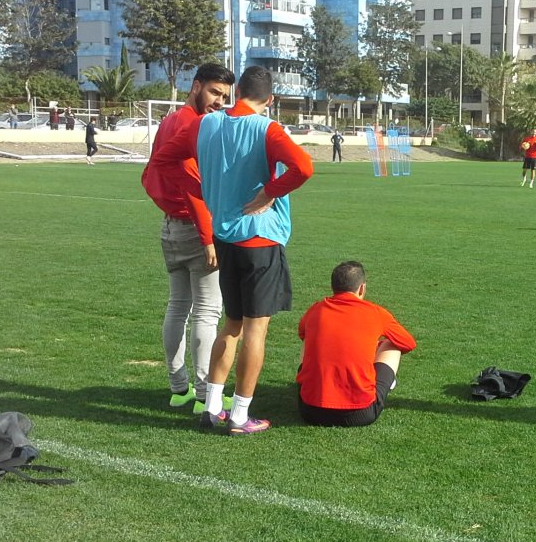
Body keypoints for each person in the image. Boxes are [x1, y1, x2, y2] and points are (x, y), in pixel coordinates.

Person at [195, 66, 314, 434]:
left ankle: (212, 405)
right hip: (259, 240)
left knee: (230, 324)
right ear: (271, 99)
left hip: (225, 237)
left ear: (237, 91)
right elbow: (304, 167)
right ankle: (241, 414)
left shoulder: (209, 125)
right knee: (255, 330)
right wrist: (271, 191)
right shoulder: (267, 128)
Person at [142, 63, 235, 415]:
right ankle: (202, 393)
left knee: (178, 306)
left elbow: (150, 173)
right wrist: (208, 235)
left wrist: (167, 207)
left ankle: (178, 387)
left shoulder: (168, 120)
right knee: (207, 312)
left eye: (225, 96)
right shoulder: (194, 124)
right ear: (196, 86)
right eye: (214, 92)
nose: (219, 102)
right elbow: (194, 187)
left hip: (170, 226)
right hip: (195, 228)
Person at [296, 261, 416, 427]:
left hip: (310, 411)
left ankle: (318, 383)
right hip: (360, 413)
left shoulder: (316, 309)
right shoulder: (375, 312)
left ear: (333, 287)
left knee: (309, 338)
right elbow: (408, 343)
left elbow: (302, 333)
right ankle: (386, 381)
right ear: (362, 288)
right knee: (392, 344)